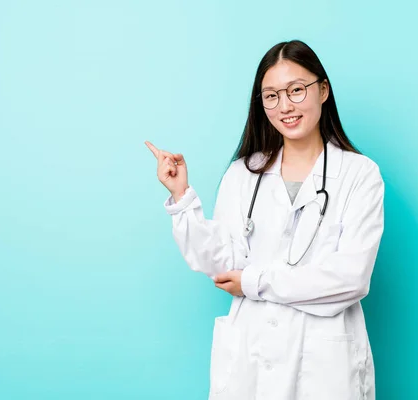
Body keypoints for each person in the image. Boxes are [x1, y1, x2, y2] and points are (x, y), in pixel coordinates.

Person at [146, 39, 384, 400]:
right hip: (251, 358)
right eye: (271, 96)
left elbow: (350, 279)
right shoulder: (244, 174)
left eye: (296, 90)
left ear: (323, 90)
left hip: (325, 365)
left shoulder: (359, 175)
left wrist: (254, 281)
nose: (285, 106)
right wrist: (182, 197)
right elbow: (222, 264)